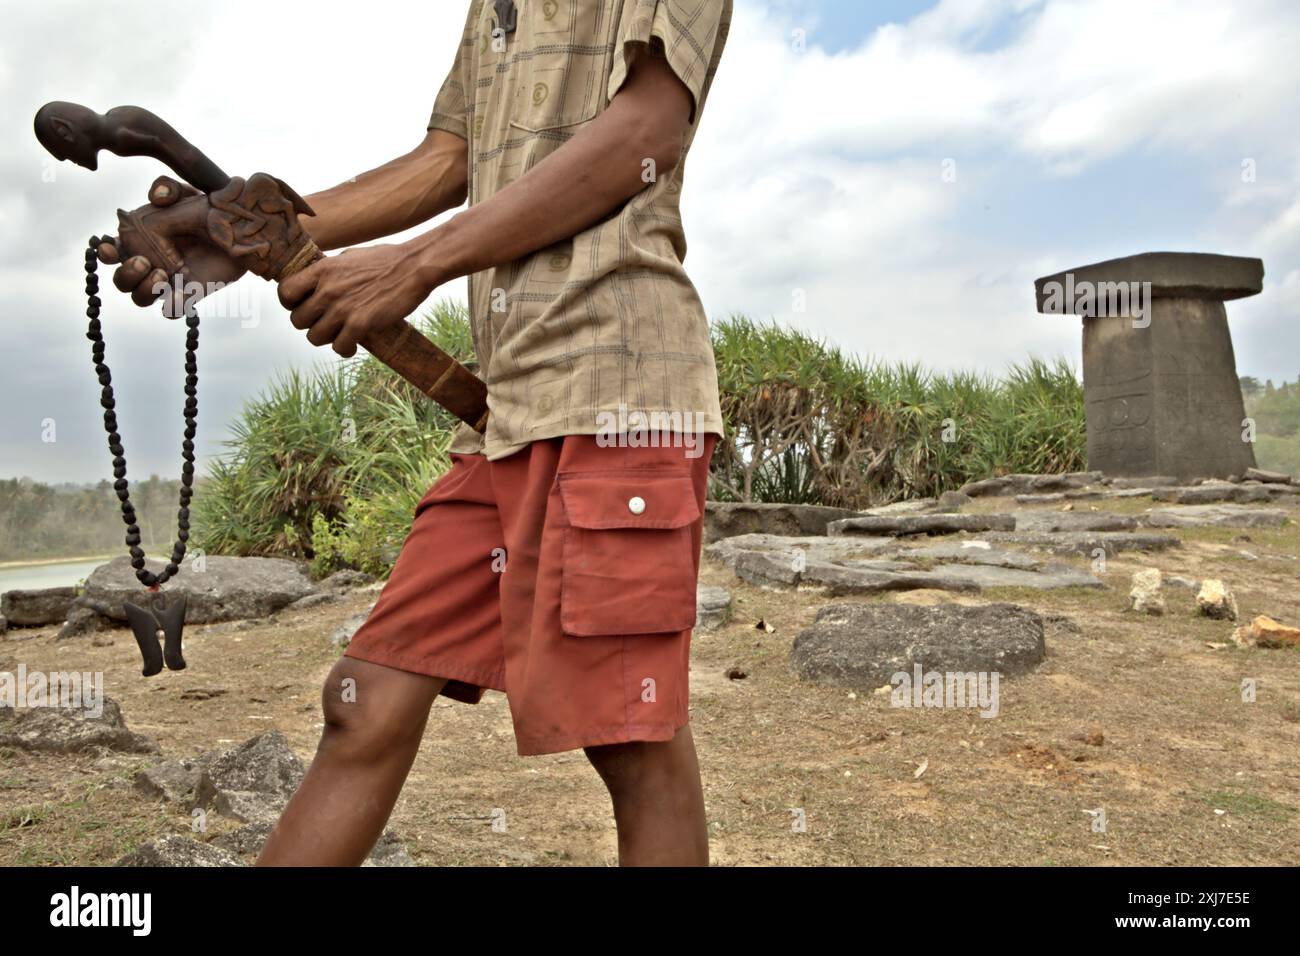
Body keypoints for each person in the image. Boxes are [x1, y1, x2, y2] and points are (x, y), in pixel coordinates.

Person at [100, 0, 732, 866]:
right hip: (506, 410)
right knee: (368, 699)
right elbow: (449, 159)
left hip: (615, 394)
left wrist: (415, 264)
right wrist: (238, 236)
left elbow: (644, 131)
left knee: (632, 742)